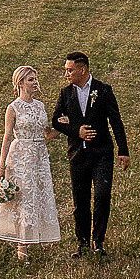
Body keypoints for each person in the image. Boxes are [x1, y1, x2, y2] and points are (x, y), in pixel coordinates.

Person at [50, 51, 129, 258]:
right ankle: (82, 242)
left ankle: (98, 241)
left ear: (82, 69)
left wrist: (123, 150)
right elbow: (56, 120)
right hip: (77, 155)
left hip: (101, 153)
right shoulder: (66, 93)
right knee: (80, 201)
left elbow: (116, 121)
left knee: (102, 195)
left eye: (69, 70)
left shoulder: (103, 90)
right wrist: (76, 131)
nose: (66, 74)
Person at [0, 65, 61, 262]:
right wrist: (1, 165)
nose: (35, 83)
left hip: (39, 156)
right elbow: (7, 137)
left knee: (37, 195)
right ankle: (22, 245)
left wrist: (63, 126)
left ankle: (33, 235)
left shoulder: (40, 106)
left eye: (36, 79)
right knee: (22, 197)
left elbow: (47, 134)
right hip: (20, 156)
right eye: (30, 80)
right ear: (20, 83)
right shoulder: (13, 108)